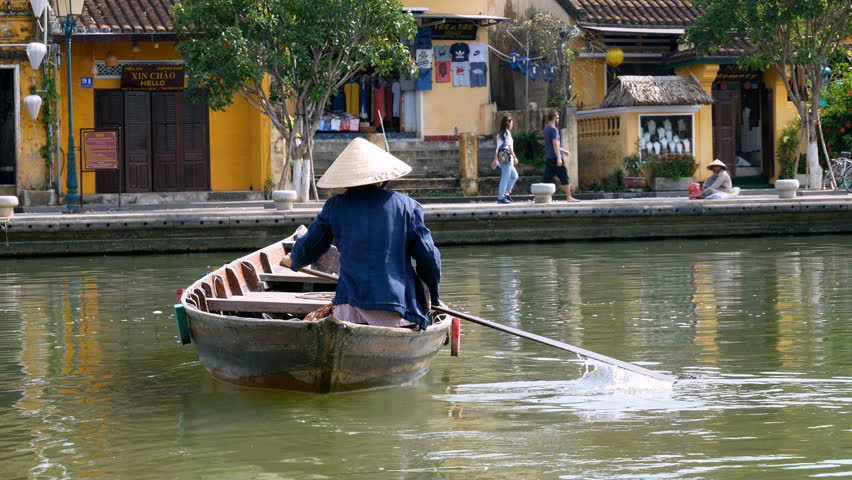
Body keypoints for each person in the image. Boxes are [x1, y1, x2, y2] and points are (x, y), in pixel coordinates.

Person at [288, 137, 441, 331]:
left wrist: (294, 259)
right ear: (383, 179)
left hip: (349, 309)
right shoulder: (407, 206)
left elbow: (308, 249)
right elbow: (429, 259)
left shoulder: (334, 207)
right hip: (398, 309)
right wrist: (434, 296)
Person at [543, 110, 580, 202]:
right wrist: (559, 158)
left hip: (549, 158)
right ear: (555, 118)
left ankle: (542, 197)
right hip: (555, 158)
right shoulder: (554, 129)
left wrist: (564, 151)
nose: (558, 119)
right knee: (564, 176)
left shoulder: (546, 129)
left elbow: (553, 145)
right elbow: (555, 144)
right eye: (558, 118)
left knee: (547, 179)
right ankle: (569, 197)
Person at [491, 113, 519, 204]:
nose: (512, 125)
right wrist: (515, 157)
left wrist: (495, 160)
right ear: (508, 123)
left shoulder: (500, 134)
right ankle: (500, 197)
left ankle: (506, 194)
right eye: (511, 123)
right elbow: (510, 147)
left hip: (502, 158)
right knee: (505, 178)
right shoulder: (507, 133)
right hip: (507, 158)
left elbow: (497, 148)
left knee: (514, 176)